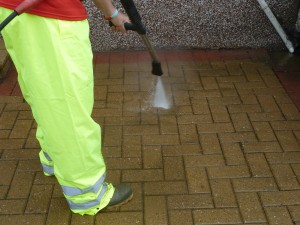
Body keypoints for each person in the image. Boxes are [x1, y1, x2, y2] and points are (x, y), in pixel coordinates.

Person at [0, 0, 133, 216]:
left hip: (16, 12)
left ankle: (54, 158)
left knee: (44, 93)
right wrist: (112, 12)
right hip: (52, 18)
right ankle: (88, 195)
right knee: (68, 106)